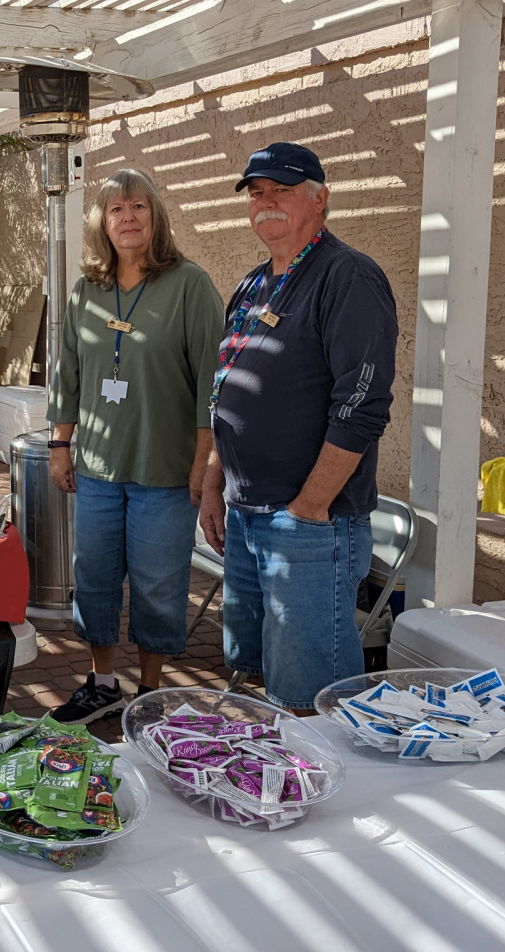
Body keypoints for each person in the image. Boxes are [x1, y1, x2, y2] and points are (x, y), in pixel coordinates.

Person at [199, 142, 398, 712]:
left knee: (313, 692)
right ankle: (275, 759)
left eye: (282, 190)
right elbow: (228, 390)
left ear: (320, 199)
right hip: (245, 513)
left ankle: (323, 767)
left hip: (310, 524)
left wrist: (308, 508)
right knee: (259, 669)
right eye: (256, 192)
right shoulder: (252, 285)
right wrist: (214, 484)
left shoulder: (347, 276)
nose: (266, 202)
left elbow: (361, 405)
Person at [46, 169, 223, 724]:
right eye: (116, 209)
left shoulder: (190, 286)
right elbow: (67, 372)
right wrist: (60, 443)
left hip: (165, 471)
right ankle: (102, 684)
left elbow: (212, 385)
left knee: (158, 587)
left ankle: (149, 694)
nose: (128, 218)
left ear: (155, 216)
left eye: (138, 207)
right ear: (101, 223)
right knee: (95, 579)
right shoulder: (87, 291)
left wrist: (203, 463)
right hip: (98, 468)